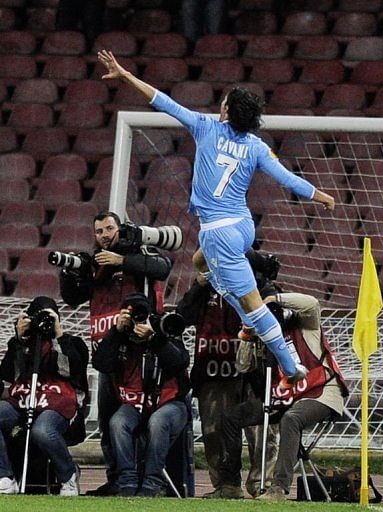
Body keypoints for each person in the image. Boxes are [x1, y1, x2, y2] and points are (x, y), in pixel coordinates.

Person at [97, 49, 335, 391]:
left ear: (225, 111)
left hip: (218, 231)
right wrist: (319, 195)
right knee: (203, 266)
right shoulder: (255, 145)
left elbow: (162, 101)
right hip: (242, 226)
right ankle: (241, 310)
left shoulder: (205, 126)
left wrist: (125, 75)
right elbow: (287, 178)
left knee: (251, 301)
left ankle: (289, 363)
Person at [59, 210, 172, 496]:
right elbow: (73, 298)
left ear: (120, 229)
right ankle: (118, 479)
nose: (104, 235)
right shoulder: (97, 265)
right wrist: (67, 272)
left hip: (141, 354)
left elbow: (162, 268)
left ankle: (148, 480)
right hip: (107, 355)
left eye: (109, 228)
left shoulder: (141, 253)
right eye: (98, 231)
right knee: (110, 424)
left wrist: (121, 260)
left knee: (141, 421)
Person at [218, 292, 349, 501]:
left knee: (292, 419)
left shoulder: (306, 325)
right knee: (231, 417)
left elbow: (312, 303)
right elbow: (242, 366)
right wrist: (250, 333)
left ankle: (278, 488)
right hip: (284, 397)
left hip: (322, 392)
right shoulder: (264, 335)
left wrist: (272, 300)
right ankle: (229, 484)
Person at [176, 249, 279, 498]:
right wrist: (198, 287)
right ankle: (226, 485)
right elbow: (182, 317)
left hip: (253, 372)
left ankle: (261, 485)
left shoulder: (256, 282)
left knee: (261, 431)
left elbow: (274, 312)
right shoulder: (204, 286)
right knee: (214, 432)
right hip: (213, 370)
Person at [92, 292, 190, 497]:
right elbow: (101, 364)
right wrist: (116, 332)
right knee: (118, 422)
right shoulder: (120, 336)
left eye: (142, 314)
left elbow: (180, 363)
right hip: (134, 404)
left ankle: (152, 482)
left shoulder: (164, 329)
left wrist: (154, 339)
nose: (138, 320)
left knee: (158, 422)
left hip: (170, 404)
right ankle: (126, 480)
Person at [0, 296, 89, 496]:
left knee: (43, 430)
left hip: (59, 408)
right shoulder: (23, 344)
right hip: (22, 407)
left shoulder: (73, 343)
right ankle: (5, 477)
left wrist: (58, 336)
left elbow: (72, 370)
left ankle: (68, 476)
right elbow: (7, 375)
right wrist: (19, 339)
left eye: (49, 317)